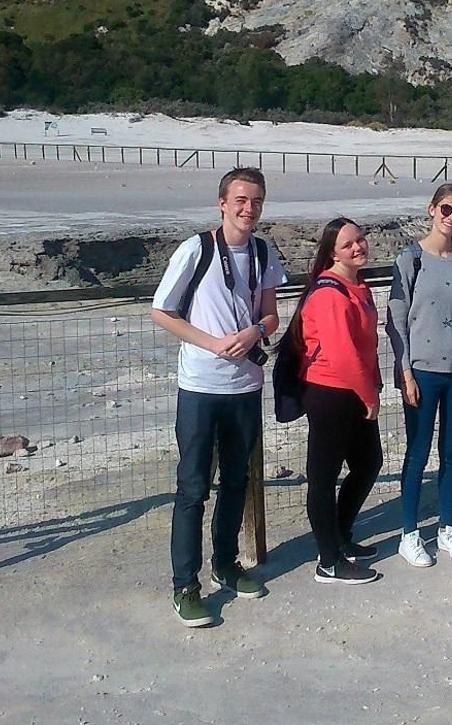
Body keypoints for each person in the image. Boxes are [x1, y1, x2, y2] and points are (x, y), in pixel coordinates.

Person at [151, 167, 285, 627]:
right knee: (192, 488)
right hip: (201, 387)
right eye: (241, 200)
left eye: (257, 202)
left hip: (245, 386)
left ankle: (226, 565)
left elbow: (271, 316)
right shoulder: (197, 249)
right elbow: (162, 311)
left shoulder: (264, 251)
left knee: (235, 482)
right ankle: (184, 586)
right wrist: (210, 343)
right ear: (222, 203)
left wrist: (253, 331)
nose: (249, 209)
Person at [386, 184, 452, 567]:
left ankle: (447, 526)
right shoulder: (410, 259)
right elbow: (397, 318)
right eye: (446, 209)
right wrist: (405, 370)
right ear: (431, 209)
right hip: (424, 370)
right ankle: (409, 533)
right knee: (417, 453)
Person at [298, 217, 384, 585]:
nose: (358, 247)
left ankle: (341, 535)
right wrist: (370, 395)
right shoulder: (331, 292)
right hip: (330, 392)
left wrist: (371, 386)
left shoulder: (357, 285)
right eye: (348, 244)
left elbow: (365, 347)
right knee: (324, 476)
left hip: (354, 390)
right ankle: (328, 561)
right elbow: (342, 353)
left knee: (368, 464)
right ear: (332, 252)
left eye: (360, 240)